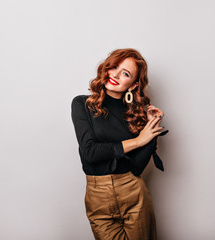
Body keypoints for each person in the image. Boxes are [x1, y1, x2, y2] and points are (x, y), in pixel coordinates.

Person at [71, 48, 169, 240]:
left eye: (125, 73)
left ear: (133, 85)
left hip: (133, 192)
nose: (115, 74)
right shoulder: (82, 104)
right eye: (114, 66)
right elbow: (90, 152)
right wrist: (138, 141)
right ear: (106, 68)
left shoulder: (133, 116)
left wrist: (151, 129)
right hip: (97, 196)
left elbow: (137, 168)